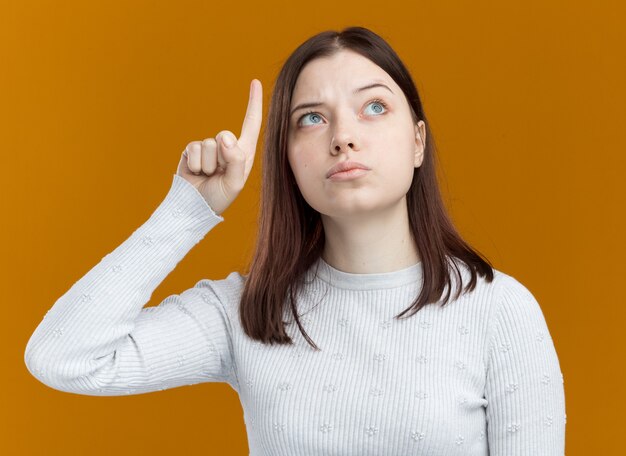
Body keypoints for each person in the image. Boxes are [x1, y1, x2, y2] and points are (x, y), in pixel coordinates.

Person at [24, 26, 566, 455]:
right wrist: (187, 212)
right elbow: (63, 357)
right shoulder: (248, 312)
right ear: (287, 158)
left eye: (374, 107)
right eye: (311, 118)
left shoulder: (500, 311)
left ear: (418, 141)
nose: (343, 136)